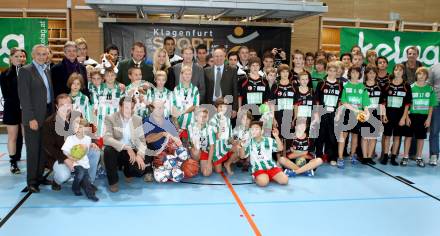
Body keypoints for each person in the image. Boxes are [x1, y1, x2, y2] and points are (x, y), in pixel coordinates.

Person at [43, 94, 100, 191]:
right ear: (57, 106)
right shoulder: (49, 123)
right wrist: (66, 159)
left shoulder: (77, 115)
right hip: (60, 156)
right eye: (62, 105)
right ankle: (56, 182)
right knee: (64, 175)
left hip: (78, 152)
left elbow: (87, 131)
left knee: (95, 152)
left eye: (68, 104)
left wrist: (93, 142)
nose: (66, 108)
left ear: (72, 105)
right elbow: (49, 148)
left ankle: (87, 182)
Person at [18, 44, 55, 193]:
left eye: (44, 54)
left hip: (47, 115)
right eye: (39, 54)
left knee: (43, 148)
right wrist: (31, 118)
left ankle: (40, 177)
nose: (42, 56)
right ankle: (31, 181)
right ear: (33, 55)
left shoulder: (47, 70)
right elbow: (24, 98)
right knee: (33, 150)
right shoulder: (25, 71)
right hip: (33, 116)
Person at [103, 96, 148, 192]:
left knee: (140, 171)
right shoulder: (110, 118)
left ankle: (128, 172)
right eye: (126, 107)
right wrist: (125, 147)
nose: (129, 111)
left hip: (131, 151)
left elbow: (142, 141)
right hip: (117, 150)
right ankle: (113, 181)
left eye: (131, 108)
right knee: (108, 150)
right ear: (120, 107)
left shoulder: (138, 119)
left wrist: (139, 155)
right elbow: (106, 139)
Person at [401, 67, 437, 167]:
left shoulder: (430, 89)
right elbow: (407, 104)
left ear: (426, 76)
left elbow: (431, 105)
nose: (421, 76)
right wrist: (407, 117)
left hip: (423, 117)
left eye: (424, 74)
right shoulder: (411, 88)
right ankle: (405, 156)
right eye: (419, 74)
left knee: (421, 138)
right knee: (408, 137)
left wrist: (429, 118)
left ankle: (419, 157)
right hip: (411, 116)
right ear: (416, 75)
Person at [336, 67, 371, 168]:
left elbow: (365, 103)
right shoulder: (345, 86)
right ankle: (340, 158)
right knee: (344, 136)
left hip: (359, 116)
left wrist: (367, 113)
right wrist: (355, 110)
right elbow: (343, 101)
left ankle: (352, 155)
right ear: (350, 73)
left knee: (355, 136)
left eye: (357, 73)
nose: (355, 74)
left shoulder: (362, 87)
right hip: (347, 113)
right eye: (353, 72)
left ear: (360, 74)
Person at [380, 64, 412, 166]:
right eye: (396, 70)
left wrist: (404, 117)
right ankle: (385, 156)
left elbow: (407, 104)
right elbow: (383, 102)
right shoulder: (387, 85)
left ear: (403, 72)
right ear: (393, 71)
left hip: (400, 116)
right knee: (387, 136)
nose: (398, 72)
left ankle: (393, 157)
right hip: (388, 114)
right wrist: (383, 115)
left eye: (400, 70)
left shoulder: (406, 86)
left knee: (397, 137)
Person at [61, 117, 99, 201]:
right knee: (80, 173)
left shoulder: (88, 139)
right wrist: (71, 158)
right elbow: (64, 151)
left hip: (84, 163)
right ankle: (78, 188)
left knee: (86, 179)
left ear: (85, 129)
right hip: (75, 162)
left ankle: (88, 193)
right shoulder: (70, 139)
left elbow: (87, 148)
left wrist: (92, 145)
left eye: (80, 127)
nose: (78, 129)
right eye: (75, 127)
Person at [0, 48, 25, 174]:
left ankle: (33, 161)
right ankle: (13, 162)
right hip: (12, 109)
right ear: (10, 58)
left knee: (29, 137)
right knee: (12, 137)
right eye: (17, 56)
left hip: (26, 110)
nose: (20, 58)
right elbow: (7, 95)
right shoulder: (5, 74)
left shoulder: (28, 72)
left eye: (22, 56)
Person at [242, 121, 288, 187]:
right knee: (263, 183)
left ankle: (268, 176)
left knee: (284, 181)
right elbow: (242, 156)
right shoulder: (249, 142)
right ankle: (257, 177)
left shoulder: (269, 140)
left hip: (271, 167)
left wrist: (276, 137)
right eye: (252, 129)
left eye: (256, 129)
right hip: (258, 169)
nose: (254, 131)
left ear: (262, 131)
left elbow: (280, 148)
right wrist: (243, 145)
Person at [314, 61, 343, 166]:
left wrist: (339, 113)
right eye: (330, 70)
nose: (332, 73)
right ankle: (318, 156)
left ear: (337, 72)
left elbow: (341, 100)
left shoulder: (339, 84)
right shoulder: (322, 83)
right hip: (322, 112)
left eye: (334, 71)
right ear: (327, 71)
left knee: (332, 136)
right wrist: (317, 114)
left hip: (334, 114)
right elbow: (317, 99)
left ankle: (332, 157)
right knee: (320, 135)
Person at [361, 65, 384, 165]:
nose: (371, 75)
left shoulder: (379, 87)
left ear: (376, 74)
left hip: (376, 113)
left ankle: (370, 156)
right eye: (369, 73)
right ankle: (365, 157)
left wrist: (382, 115)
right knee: (365, 136)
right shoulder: (362, 86)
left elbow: (382, 102)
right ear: (366, 74)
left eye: (373, 73)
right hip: (365, 113)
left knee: (373, 136)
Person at [205, 48, 239, 113]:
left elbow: (235, 90)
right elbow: (205, 90)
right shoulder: (206, 71)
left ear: (224, 57)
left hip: (226, 105)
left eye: (221, 56)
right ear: (213, 57)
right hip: (210, 106)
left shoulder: (232, 70)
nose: (219, 58)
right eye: (216, 56)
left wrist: (234, 108)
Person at [208, 98, 234, 175]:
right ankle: (213, 162)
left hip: (226, 145)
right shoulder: (213, 120)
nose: (223, 109)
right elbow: (217, 137)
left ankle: (227, 163)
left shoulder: (228, 119)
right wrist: (221, 124)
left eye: (224, 107)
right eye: (220, 107)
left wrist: (236, 142)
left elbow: (230, 136)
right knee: (218, 171)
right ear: (216, 108)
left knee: (238, 149)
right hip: (217, 148)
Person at [172, 65, 200, 133]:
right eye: (185, 74)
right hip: (178, 123)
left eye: (189, 74)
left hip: (191, 124)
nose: (187, 76)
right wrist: (177, 126)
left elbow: (195, 106)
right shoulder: (176, 89)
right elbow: (173, 107)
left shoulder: (195, 89)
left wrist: (183, 112)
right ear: (181, 75)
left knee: (189, 143)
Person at [187, 107, 214, 176]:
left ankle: (206, 164)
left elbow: (212, 146)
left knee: (206, 173)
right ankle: (195, 163)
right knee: (196, 150)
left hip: (205, 152)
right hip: (195, 152)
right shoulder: (191, 127)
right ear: (196, 117)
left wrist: (208, 163)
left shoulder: (210, 128)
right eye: (200, 116)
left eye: (204, 116)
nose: (202, 119)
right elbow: (189, 143)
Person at [428, 63, 440, 165]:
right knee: (434, 130)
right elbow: (429, 85)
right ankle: (434, 155)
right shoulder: (434, 67)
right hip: (437, 103)